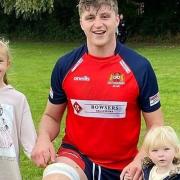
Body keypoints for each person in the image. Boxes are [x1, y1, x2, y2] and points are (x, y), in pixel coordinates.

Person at [31, 0, 164, 179]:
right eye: (90, 17)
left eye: (105, 16)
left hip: (125, 166)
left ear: (117, 19)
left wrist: (141, 159)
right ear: (81, 23)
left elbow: (156, 125)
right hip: (76, 157)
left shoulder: (140, 67)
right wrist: (43, 138)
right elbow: (51, 116)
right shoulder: (65, 65)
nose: (98, 24)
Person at [0, 38, 37, 180]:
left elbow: (29, 139)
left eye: (0, 61)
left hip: (7, 173)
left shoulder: (17, 99)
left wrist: (41, 155)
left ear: (8, 64)